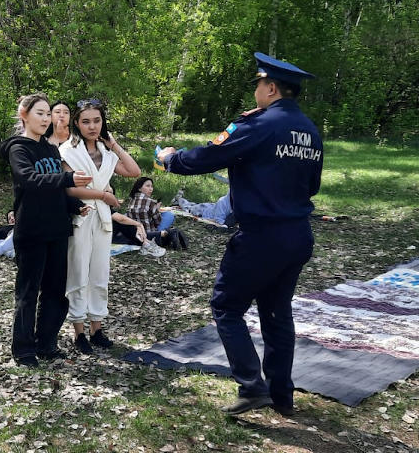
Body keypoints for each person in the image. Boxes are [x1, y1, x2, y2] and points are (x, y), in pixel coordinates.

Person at [159, 52, 323, 418]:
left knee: (226, 306)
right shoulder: (310, 131)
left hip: (261, 237)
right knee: (277, 313)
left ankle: (252, 387)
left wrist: (170, 159)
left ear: (272, 88)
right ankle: (282, 395)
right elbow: (312, 185)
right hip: (297, 235)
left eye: (259, 85)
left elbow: (207, 157)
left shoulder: (259, 125)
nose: (256, 92)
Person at [0, 93, 92, 367]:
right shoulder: (19, 149)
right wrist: (67, 177)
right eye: (39, 112)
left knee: (55, 290)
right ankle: (24, 349)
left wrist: (74, 204)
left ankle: (46, 343)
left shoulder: (52, 149)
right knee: (28, 292)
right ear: (24, 115)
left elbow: (57, 189)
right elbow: (29, 179)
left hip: (57, 230)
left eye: (48, 113)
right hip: (32, 231)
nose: (45, 118)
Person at [59, 99, 141, 354]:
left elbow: (134, 171)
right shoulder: (67, 151)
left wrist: (113, 143)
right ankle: (78, 330)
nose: (92, 126)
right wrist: (103, 196)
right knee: (78, 271)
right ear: (77, 123)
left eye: (97, 121)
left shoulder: (107, 154)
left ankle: (97, 327)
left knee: (99, 272)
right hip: (81, 216)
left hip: (103, 220)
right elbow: (70, 188)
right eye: (86, 121)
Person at [126, 177, 186, 251]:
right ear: (139, 188)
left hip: (135, 233)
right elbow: (158, 222)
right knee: (168, 215)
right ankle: (166, 233)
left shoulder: (131, 200)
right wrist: (156, 209)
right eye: (147, 186)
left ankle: (168, 233)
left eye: (151, 186)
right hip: (150, 233)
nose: (151, 189)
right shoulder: (150, 202)